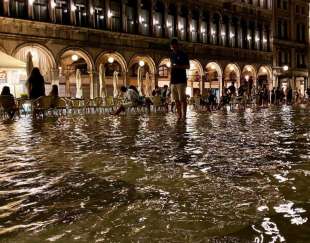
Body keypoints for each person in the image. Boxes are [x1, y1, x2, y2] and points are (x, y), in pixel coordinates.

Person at [170, 38, 190, 120]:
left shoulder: (183, 54)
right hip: (173, 81)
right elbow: (171, 67)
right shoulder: (171, 55)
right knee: (176, 100)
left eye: (175, 45)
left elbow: (188, 66)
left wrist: (178, 66)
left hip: (181, 80)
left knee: (182, 99)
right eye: (172, 45)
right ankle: (179, 115)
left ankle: (184, 115)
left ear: (177, 45)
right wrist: (170, 81)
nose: (173, 47)